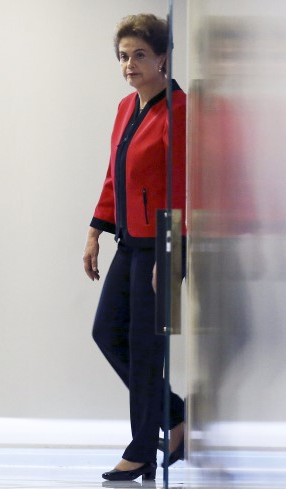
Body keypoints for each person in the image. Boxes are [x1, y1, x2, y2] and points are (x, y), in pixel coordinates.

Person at [82, 13, 185, 482]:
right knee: (108, 332)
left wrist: (171, 254)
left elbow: (183, 187)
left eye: (140, 54)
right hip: (130, 242)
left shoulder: (181, 109)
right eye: (124, 56)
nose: (130, 64)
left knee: (148, 351)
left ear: (163, 57)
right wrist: (95, 230)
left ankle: (142, 450)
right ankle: (177, 414)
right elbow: (115, 175)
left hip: (164, 246)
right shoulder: (128, 107)